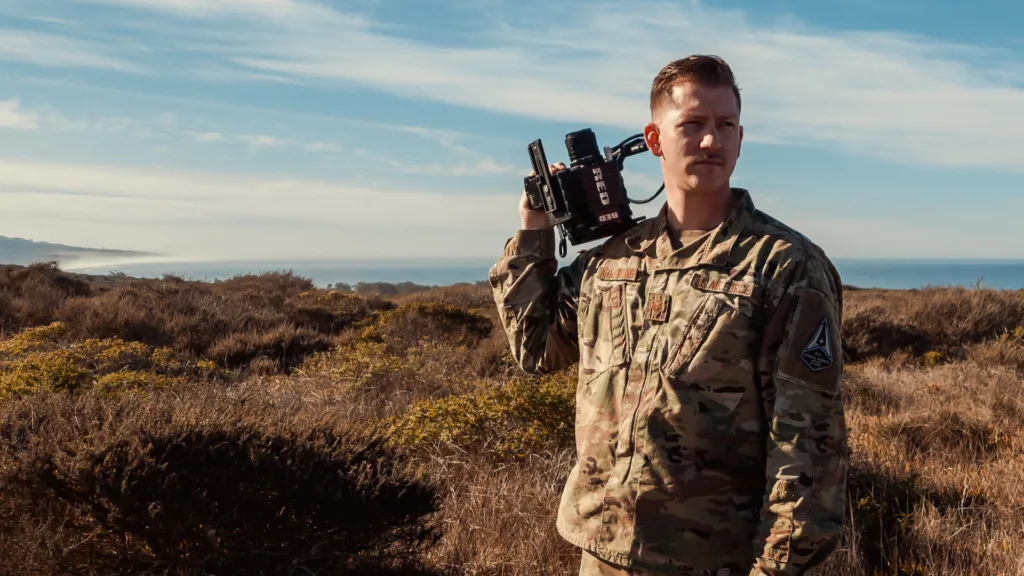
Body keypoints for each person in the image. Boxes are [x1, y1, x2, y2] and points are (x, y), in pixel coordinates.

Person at [487, 55, 850, 576]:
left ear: (741, 138)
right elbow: (535, 348)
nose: (711, 141)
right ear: (654, 139)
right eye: (693, 124)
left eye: (725, 126)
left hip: (711, 561)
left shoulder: (785, 266)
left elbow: (807, 447)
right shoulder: (613, 260)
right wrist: (533, 229)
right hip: (600, 554)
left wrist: (776, 568)